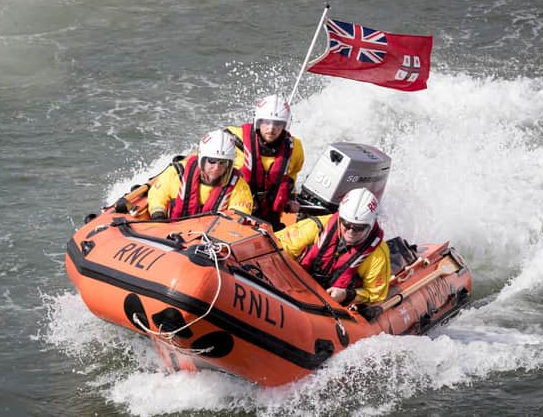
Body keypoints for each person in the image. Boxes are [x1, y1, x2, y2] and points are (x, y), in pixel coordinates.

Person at [275, 188, 391, 306]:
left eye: (358, 228)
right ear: (340, 218)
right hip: (296, 285)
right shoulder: (317, 226)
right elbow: (278, 246)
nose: (350, 231)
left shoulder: (378, 254)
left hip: (334, 306)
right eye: (346, 224)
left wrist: (347, 294)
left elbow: (375, 295)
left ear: (370, 226)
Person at [225, 95, 304, 231]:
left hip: (268, 212)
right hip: (234, 207)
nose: (271, 128)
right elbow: (207, 157)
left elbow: (291, 177)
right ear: (258, 121)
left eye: (277, 124)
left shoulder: (295, 148)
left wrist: (291, 199)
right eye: (266, 122)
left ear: (285, 125)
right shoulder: (232, 138)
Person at [147, 129, 253, 219]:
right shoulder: (177, 173)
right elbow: (157, 196)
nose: (216, 167)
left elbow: (239, 215)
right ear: (202, 159)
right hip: (171, 232)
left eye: (222, 163)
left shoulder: (239, 187)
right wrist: (158, 217)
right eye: (211, 161)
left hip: (210, 239)